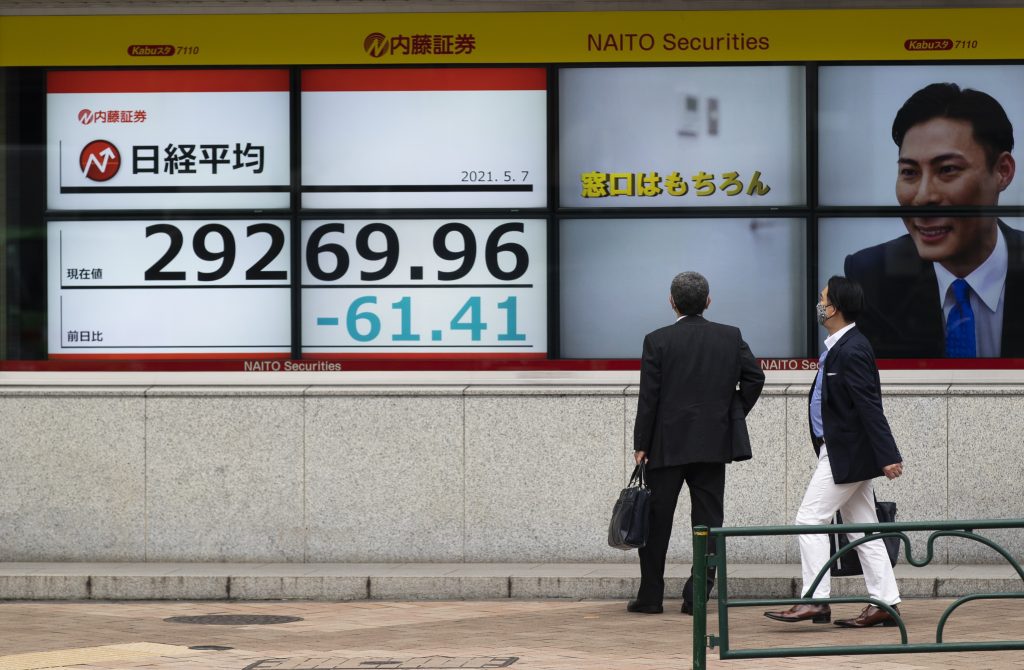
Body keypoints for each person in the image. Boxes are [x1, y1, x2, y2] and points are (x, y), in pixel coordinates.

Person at [764, 276, 904, 628]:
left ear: (835, 307)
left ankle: (815, 601)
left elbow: (869, 404)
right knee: (864, 530)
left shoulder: (853, 348)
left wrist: (888, 454)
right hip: (841, 451)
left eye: (823, 298)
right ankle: (885, 604)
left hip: (846, 453)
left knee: (809, 520)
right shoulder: (839, 347)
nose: (819, 303)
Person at [845, 82, 1024, 358]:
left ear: (1003, 171)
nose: (922, 197)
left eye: (948, 169)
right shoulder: (871, 276)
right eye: (909, 172)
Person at [628, 271, 765, 615]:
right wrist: (731, 411)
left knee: (656, 523)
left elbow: (649, 398)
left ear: (671, 302)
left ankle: (650, 596)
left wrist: (641, 443)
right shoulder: (729, 337)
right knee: (707, 522)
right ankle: (698, 596)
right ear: (708, 301)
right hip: (712, 443)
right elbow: (754, 378)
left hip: (665, 445)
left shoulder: (656, 341)